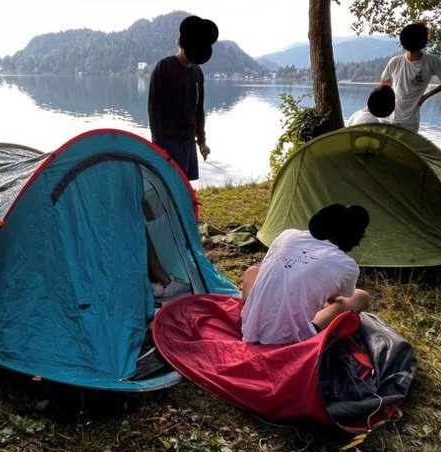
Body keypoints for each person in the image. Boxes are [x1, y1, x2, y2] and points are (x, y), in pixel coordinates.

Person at [241, 204, 371, 345]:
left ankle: (254, 314)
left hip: (249, 330)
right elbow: (340, 297)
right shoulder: (346, 264)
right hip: (291, 340)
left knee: (252, 271)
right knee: (360, 296)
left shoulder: (287, 234)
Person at [148, 15, 218, 182]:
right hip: (168, 140)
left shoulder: (197, 72)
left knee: (184, 185)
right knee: (170, 184)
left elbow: (199, 109)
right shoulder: (164, 67)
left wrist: (202, 142)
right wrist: (159, 146)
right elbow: (154, 109)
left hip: (188, 139)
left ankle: (185, 209)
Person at [380, 23, 441, 132]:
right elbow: (385, 82)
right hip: (388, 118)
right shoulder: (395, 61)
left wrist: (425, 96)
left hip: (410, 121)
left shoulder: (431, 62)